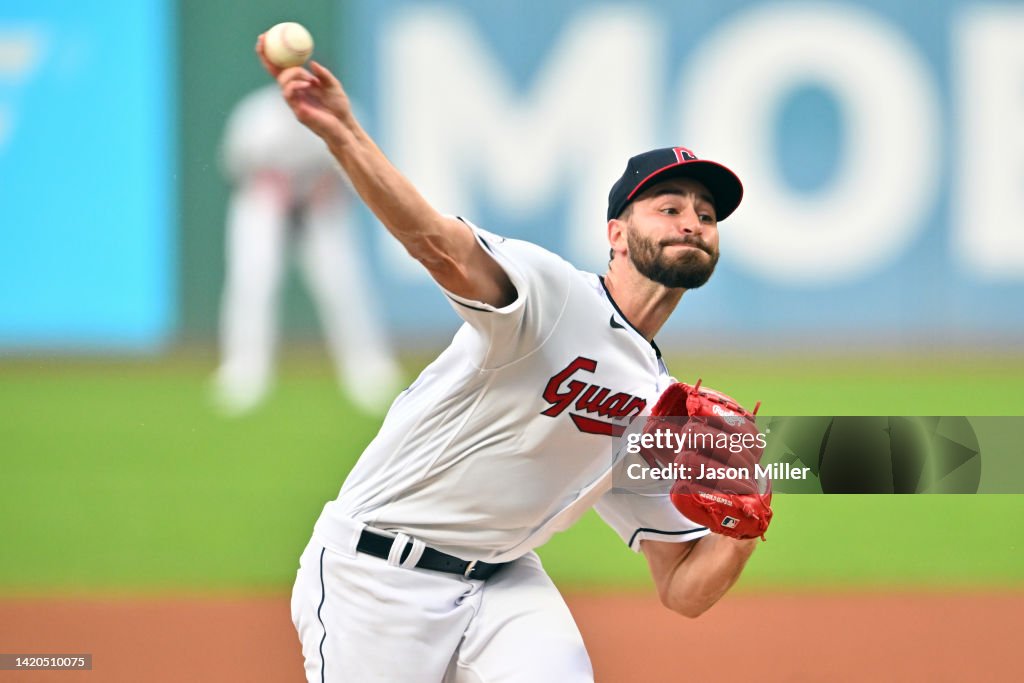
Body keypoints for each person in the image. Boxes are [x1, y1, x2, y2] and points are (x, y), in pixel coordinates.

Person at [257, 34, 758, 683]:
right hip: (373, 575)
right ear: (616, 235)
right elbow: (438, 245)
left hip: (503, 584)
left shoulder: (660, 406)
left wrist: (740, 523)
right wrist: (344, 133)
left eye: (707, 213)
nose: (693, 221)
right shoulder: (551, 295)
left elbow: (683, 588)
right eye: (669, 208)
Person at [212, 84, 403, 416]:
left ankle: (368, 370)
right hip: (264, 205)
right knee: (253, 285)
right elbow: (235, 163)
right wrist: (274, 186)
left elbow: (361, 167)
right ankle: (243, 373)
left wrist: (318, 187)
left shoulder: (343, 111)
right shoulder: (258, 113)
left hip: (320, 205)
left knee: (343, 286)